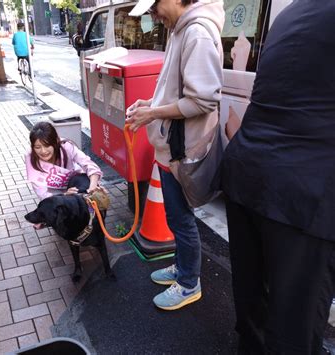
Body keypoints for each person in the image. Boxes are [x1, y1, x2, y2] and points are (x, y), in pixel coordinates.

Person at [219, 1, 335, 353]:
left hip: (247, 173)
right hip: (304, 192)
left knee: (253, 308)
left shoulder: (289, 14)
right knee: (294, 328)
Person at [125, 0, 224, 311]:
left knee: (181, 220)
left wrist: (153, 112)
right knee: (175, 217)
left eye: (154, 5)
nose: (153, 14)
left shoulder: (196, 33)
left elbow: (204, 100)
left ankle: (188, 282)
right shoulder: (180, 29)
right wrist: (148, 104)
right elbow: (175, 92)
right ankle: (182, 267)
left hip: (182, 149)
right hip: (171, 147)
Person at [25, 122, 102, 200]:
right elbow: (42, 194)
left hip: (74, 183)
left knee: (88, 186)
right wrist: (65, 195)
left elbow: (87, 163)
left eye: (47, 145)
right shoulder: (31, 159)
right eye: (38, 147)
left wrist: (93, 187)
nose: (43, 151)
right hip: (55, 197)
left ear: (55, 142)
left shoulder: (66, 147)